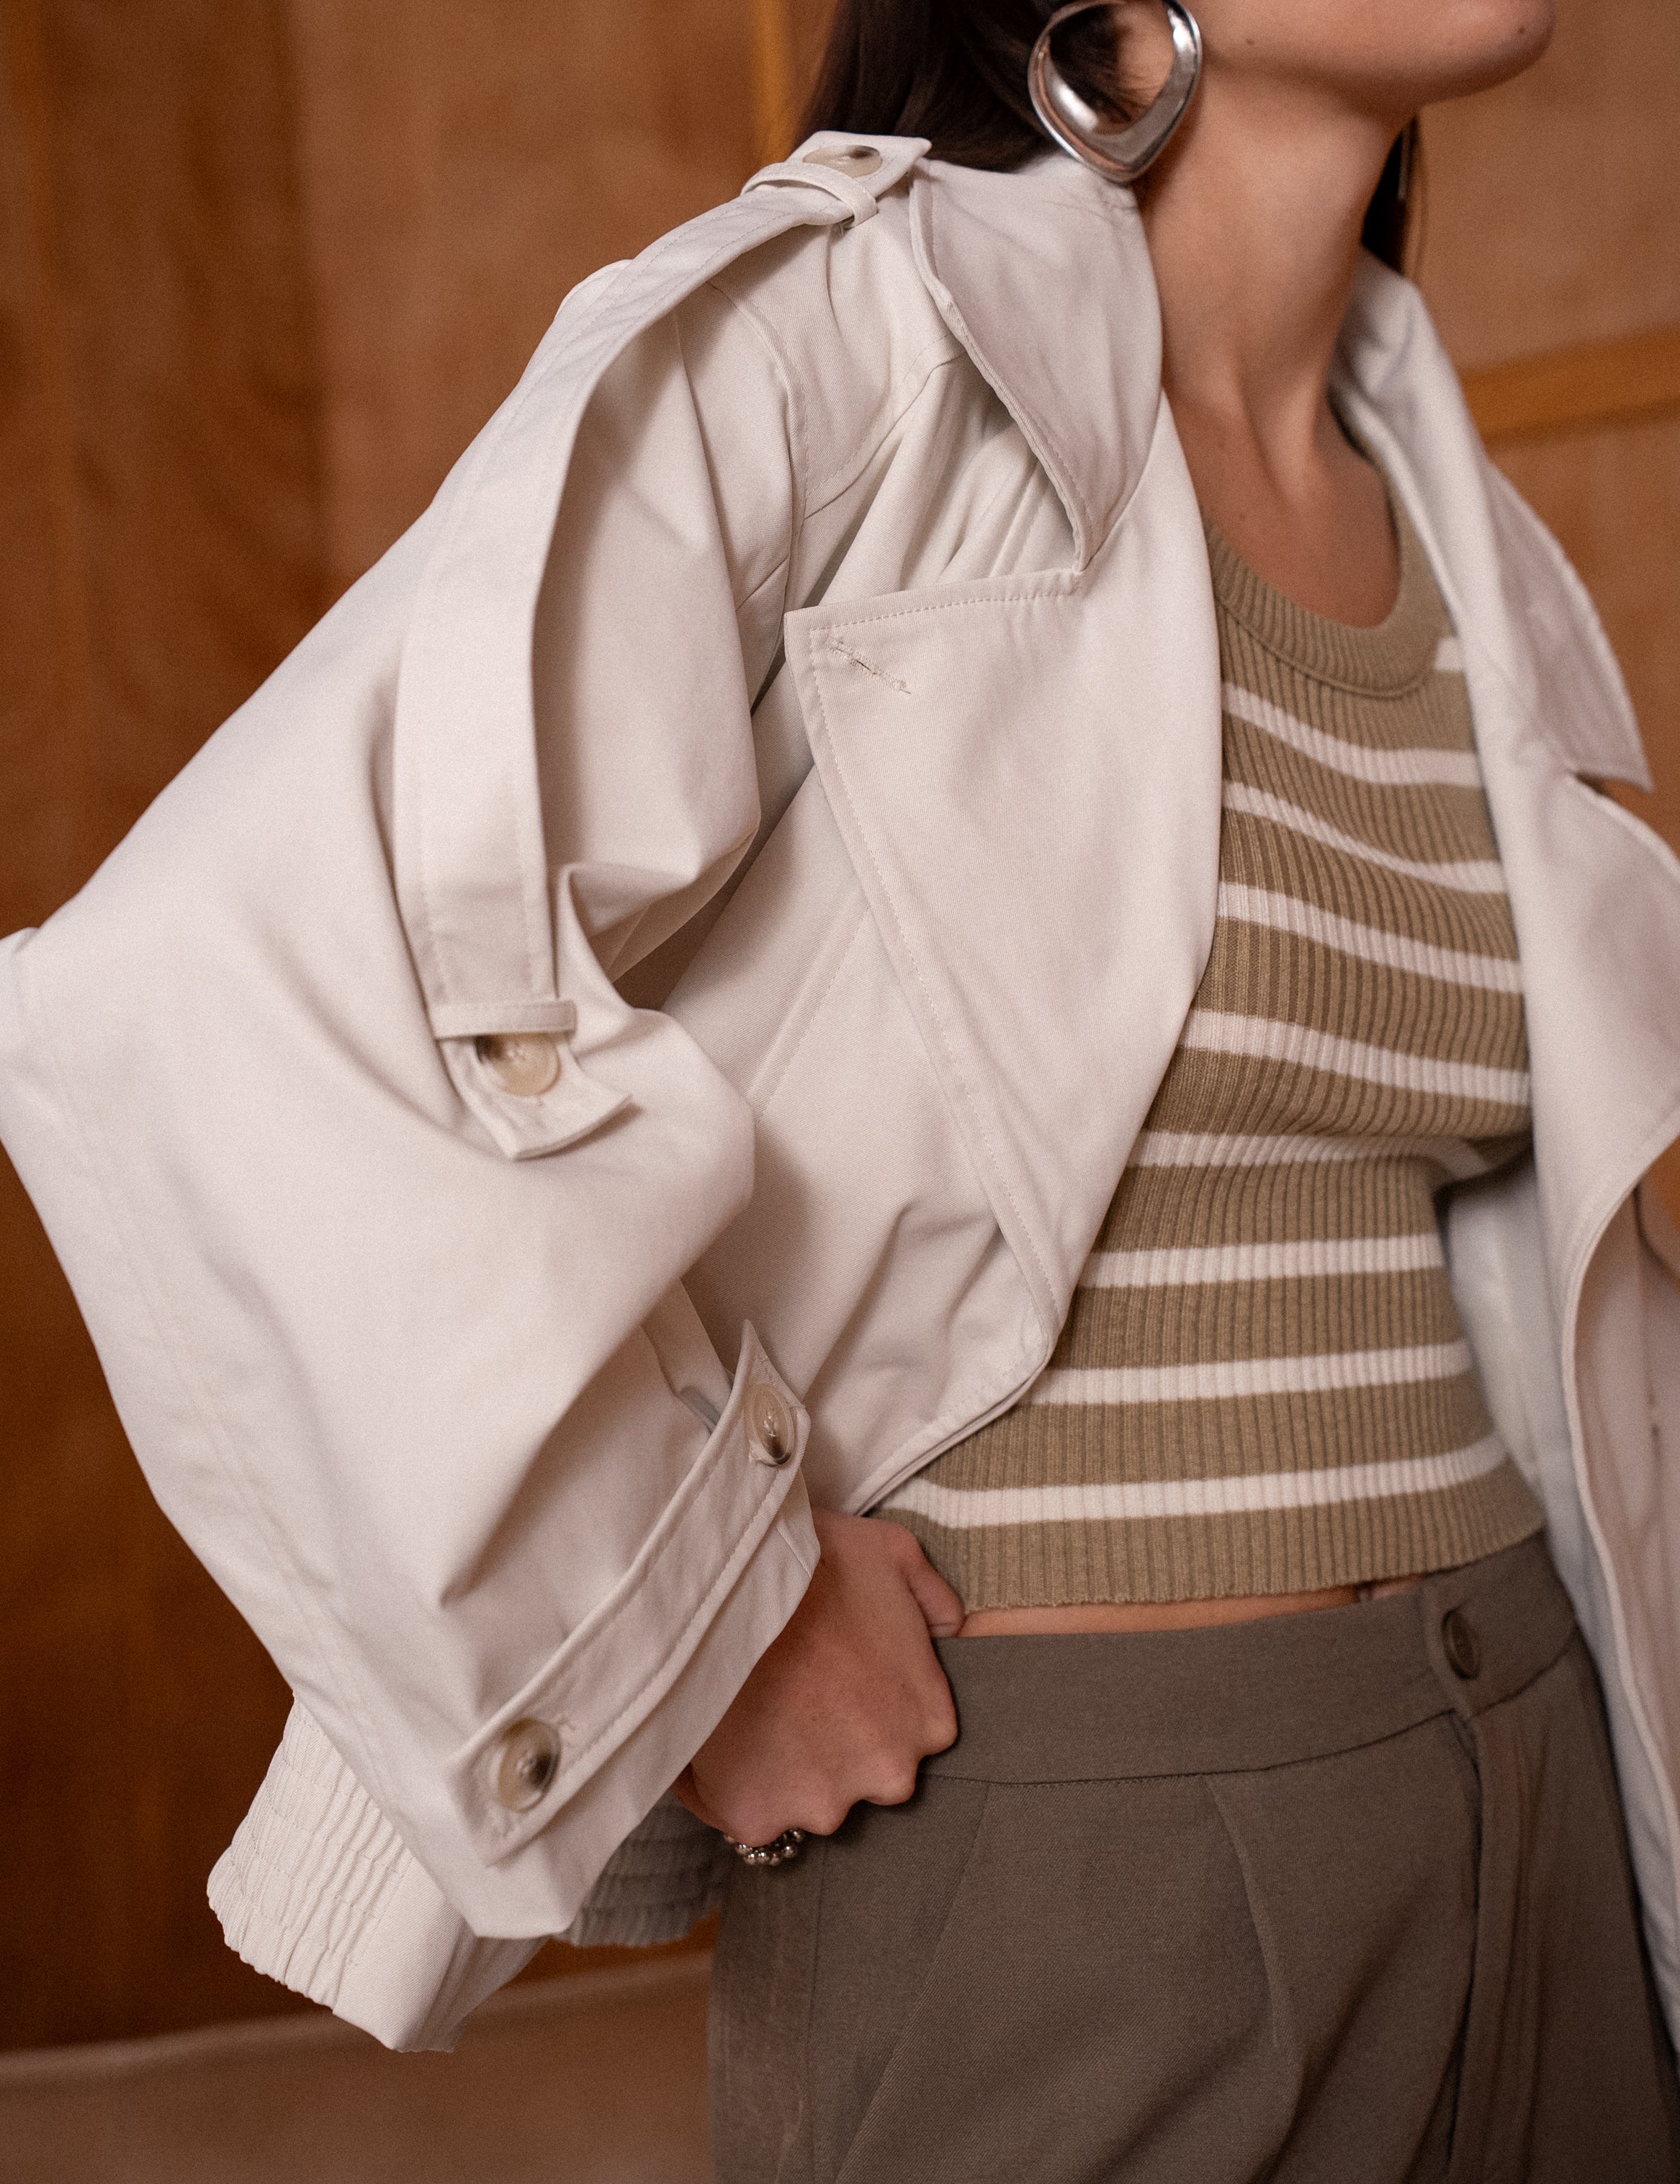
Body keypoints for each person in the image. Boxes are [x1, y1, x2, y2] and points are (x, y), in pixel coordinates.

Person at [1, 0, 1677, 2172]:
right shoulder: (849, 343)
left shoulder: (1457, 518)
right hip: (1088, 1854)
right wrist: (709, 1617)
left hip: (1536, 1775)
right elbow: (207, 986)